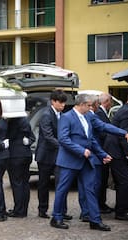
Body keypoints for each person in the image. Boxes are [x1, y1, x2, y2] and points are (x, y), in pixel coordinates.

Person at [51, 94, 112, 231]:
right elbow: (63, 139)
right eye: (89, 105)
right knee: (63, 189)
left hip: (86, 161)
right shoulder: (66, 117)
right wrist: (81, 150)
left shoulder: (87, 117)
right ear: (81, 104)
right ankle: (56, 217)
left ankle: (94, 220)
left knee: (90, 189)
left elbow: (91, 140)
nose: (91, 108)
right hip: (69, 161)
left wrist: (102, 154)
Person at [35, 89, 70, 219]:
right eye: (60, 102)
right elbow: (48, 136)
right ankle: (42, 210)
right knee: (43, 184)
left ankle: (62, 211)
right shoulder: (46, 114)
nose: (63, 105)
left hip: (58, 154)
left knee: (61, 183)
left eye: (64, 103)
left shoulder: (62, 114)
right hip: (45, 155)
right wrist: (65, 146)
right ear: (53, 101)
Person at [103, 89, 128, 221]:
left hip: (115, 149)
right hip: (116, 151)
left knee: (123, 180)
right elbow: (123, 136)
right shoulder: (127, 112)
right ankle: (121, 212)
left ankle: (122, 209)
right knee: (125, 181)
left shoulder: (125, 109)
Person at [6, 117, 35, 218]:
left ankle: (18, 210)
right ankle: (24, 209)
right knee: (25, 183)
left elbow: (9, 136)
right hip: (26, 154)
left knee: (17, 183)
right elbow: (33, 137)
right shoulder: (25, 120)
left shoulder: (12, 121)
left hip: (15, 155)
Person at [95, 93, 115, 213]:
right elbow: (101, 132)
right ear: (107, 101)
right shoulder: (99, 114)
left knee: (103, 179)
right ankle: (100, 204)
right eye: (110, 102)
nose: (111, 104)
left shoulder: (101, 113)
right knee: (101, 179)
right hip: (102, 150)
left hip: (103, 150)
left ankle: (102, 203)